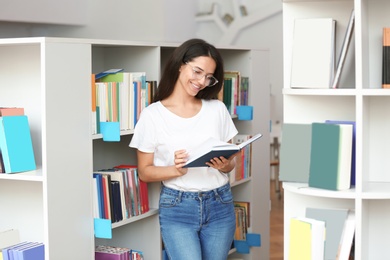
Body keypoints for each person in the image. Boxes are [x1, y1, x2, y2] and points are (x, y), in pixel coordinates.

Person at [129, 38, 238, 260]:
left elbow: (231, 161)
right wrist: (175, 169)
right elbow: (145, 171)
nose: (201, 81)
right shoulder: (153, 115)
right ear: (180, 64)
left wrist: (227, 165)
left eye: (208, 77)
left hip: (220, 203)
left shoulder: (217, 109)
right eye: (197, 72)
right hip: (178, 207)